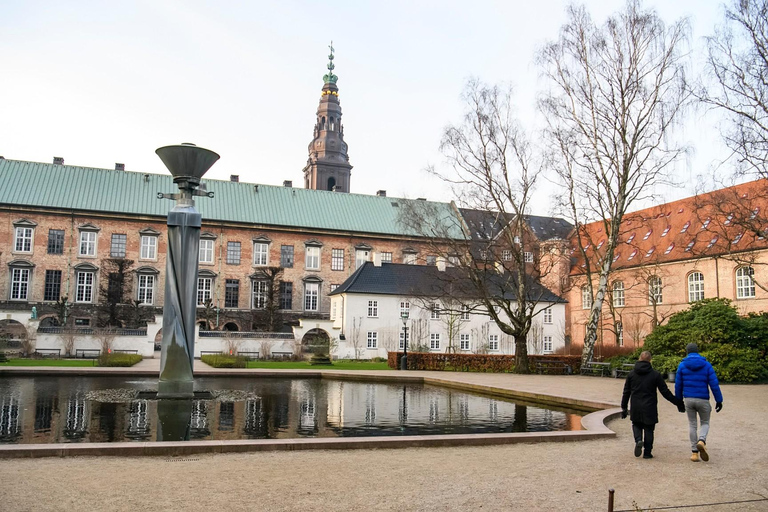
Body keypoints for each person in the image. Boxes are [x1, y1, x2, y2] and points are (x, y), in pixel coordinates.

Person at [621, 351, 685, 459]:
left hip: (636, 405)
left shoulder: (631, 374)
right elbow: (665, 392)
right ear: (650, 360)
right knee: (649, 429)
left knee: (636, 424)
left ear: (639, 359)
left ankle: (638, 440)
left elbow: (626, 392)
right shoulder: (655, 375)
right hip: (649, 406)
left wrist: (623, 407)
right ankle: (647, 452)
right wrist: (678, 402)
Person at [675, 343, 723, 462]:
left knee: (692, 424)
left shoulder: (682, 365)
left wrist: (679, 401)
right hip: (703, 399)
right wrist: (719, 400)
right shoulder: (706, 365)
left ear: (687, 352)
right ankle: (702, 440)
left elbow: (678, 385)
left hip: (689, 399)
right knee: (705, 422)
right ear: (697, 351)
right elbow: (714, 385)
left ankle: (694, 453)